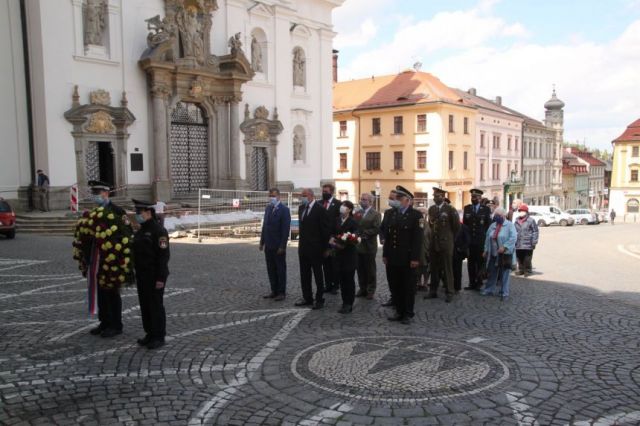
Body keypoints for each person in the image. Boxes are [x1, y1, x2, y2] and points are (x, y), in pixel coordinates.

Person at [73, 180, 132, 338]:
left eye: (97, 194)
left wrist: (118, 258)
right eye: (94, 194)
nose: (95, 197)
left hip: (112, 260)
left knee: (112, 293)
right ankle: (104, 322)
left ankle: (116, 324)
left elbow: (127, 234)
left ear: (106, 193)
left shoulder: (117, 211)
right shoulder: (94, 213)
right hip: (97, 260)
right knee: (101, 292)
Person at [132, 199, 170, 350]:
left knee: (155, 306)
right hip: (142, 274)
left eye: (139, 212)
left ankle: (158, 336)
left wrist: (161, 277)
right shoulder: (141, 230)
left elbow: (163, 256)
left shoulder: (159, 231)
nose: (137, 215)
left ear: (149, 212)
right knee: (145, 305)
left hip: (155, 275)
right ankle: (149, 333)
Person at [383, 186, 423, 324]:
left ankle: (408, 313)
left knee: (408, 287)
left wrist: (415, 258)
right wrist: (385, 254)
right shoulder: (394, 214)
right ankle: (399, 311)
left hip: (407, 258)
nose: (397, 201)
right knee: (396, 286)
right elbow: (389, 237)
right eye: (397, 198)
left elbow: (418, 239)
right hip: (393, 257)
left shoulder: (416, 216)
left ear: (408, 200)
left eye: (400, 198)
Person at [296, 188, 328, 309]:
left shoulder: (320, 209)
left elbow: (324, 230)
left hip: (316, 248)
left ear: (311, 196)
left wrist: (325, 248)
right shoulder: (301, 208)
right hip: (303, 248)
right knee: (304, 274)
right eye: (301, 195)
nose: (302, 197)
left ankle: (319, 298)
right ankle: (307, 297)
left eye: (304, 195)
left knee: (318, 274)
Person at [426, 187, 460, 303]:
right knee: (434, 268)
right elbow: (430, 225)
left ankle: (450, 291)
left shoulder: (450, 209)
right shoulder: (431, 209)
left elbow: (456, 227)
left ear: (443, 197)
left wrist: (450, 239)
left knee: (447, 268)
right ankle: (433, 290)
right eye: (434, 196)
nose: (435, 198)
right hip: (434, 243)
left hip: (446, 243)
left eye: (438, 196)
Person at [259, 188, 291, 301]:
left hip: (278, 246)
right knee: (271, 268)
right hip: (269, 244)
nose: (271, 197)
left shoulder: (284, 210)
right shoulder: (268, 208)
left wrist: (282, 246)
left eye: (273, 195)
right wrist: (262, 242)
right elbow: (265, 226)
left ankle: (281, 292)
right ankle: (274, 290)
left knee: (280, 269)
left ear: (278, 196)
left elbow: (285, 230)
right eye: (270, 195)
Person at [481, 208, 517, 299]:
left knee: (505, 274)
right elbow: (487, 238)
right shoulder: (493, 225)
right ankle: (489, 289)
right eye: (496, 215)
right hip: (493, 253)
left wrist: (505, 246)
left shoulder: (509, 225)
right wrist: (485, 250)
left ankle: (504, 292)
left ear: (504, 216)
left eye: (499, 215)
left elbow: (513, 238)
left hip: (504, 254)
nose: (496, 217)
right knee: (492, 272)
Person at [330, 201, 359, 313]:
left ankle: (349, 303)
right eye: (342, 206)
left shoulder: (353, 222)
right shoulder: (337, 220)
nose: (342, 208)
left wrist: (343, 244)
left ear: (349, 210)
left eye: (345, 207)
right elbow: (332, 232)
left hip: (349, 255)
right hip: (338, 255)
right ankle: (344, 301)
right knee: (341, 280)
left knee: (349, 280)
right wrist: (332, 239)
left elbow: (355, 237)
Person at [463, 189, 492, 291]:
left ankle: (479, 282)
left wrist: (487, 242)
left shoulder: (485, 210)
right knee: (470, 263)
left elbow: (488, 226)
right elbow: (465, 226)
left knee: (480, 263)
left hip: (480, 241)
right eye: (472, 197)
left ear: (480, 198)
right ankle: (472, 283)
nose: (473, 199)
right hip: (470, 242)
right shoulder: (467, 209)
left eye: (475, 197)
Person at [355, 193, 381, 299]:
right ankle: (362, 288)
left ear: (370, 201)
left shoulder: (375, 214)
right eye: (361, 199)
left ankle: (371, 290)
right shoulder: (358, 212)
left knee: (370, 269)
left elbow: (376, 228)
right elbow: (355, 225)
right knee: (360, 269)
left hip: (369, 245)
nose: (362, 201)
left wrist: (364, 233)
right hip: (358, 245)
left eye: (364, 199)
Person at [320, 184, 341, 295]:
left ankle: (335, 285)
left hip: (333, 238)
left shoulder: (338, 204)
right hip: (322, 239)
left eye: (326, 191)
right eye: (323, 191)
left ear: (331, 192)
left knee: (334, 263)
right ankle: (327, 284)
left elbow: (338, 222)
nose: (324, 193)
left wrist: (334, 236)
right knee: (325, 264)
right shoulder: (320, 203)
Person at [379, 189, 398, 307]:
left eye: (393, 198)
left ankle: (400, 298)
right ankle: (393, 297)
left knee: (399, 277)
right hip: (388, 250)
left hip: (399, 251)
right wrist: (382, 238)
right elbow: (382, 228)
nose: (390, 200)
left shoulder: (402, 213)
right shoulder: (388, 213)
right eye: (389, 198)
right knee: (390, 276)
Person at [514, 204, 539, 277]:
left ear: (526, 212)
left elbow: (535, 231)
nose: (521, 212)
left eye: (522, 211)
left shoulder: (531, 220)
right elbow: (514, 231)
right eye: (520, 211)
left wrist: (534, 241)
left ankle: (527, 270)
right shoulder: (516, 220)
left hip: (528, 243)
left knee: (527, 258)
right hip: (518, 243)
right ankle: (521, 270)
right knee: (519, 257)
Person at [453, 221, 471, 293]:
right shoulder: (450, 226)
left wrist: (461, 249)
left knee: (457, 270)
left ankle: (457, 287)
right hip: (450, 251)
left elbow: (467, 240)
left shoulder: (463, 227)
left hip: (458, 252)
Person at [415, 207, 430, 292]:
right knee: (417, 268)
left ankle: (425, 283)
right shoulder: (416, 223)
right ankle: (418, 283)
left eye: (424, 213)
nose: (422, 215)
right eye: (420, 213)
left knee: (426, 268)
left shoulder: (429, 224)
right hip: (418, 249)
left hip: (426, 249)